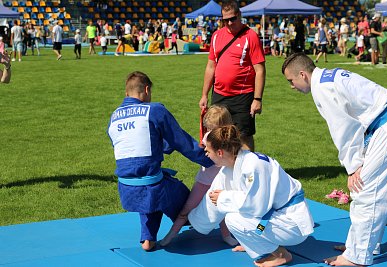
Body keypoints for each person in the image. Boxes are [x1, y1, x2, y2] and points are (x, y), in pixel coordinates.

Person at [282, 52, 387, 266]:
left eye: (291, 80)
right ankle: (361, 244)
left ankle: (357, 256)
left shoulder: (323, 88)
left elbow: (344, 129)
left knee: (366, 191)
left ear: (302, 74)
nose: (292, 86)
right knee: (364, 190)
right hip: (383, 121)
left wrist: (353, 166)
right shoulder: (327, 77)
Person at [107, 71, 214, 252]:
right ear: (147, 90)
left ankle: (147, 238)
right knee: (171, 189)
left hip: (125, 189)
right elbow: (183, 143)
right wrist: (212, 159)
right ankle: (192, 221)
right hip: (152, 186)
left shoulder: (114, 117)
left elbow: (133, 146)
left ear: (126, 93)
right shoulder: (155, 110)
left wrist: (163, 145)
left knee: (149, 185)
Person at [188, 125, 314, 267]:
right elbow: (213, 198)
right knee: (232, 210)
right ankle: (255, 244)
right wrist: (191, 220)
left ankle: (281, 255)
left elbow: (256, 206)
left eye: (208, 150)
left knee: (233, 218)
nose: (206, 154)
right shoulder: (229, 168)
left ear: (220, 152)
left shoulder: (254, 166)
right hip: (272, 217)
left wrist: (224, 198)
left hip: (291, 223)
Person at [160, 105, 238, 247]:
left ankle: (226, 235)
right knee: (187, 208)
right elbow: (201, 152)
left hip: (220, 182)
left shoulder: (229, 141)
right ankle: (172, 234)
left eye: (212, 128)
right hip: (204, 181)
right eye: (208, 128)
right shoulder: (209, 137)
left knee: (222, 210)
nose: (209, 131)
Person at [198, 0, 265, 152]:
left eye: (232, 18)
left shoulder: (251, 36)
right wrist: (204, 95)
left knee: (244, 136)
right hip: (219, 95)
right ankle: (223, 169)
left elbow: (260, 70)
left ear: (239, 15)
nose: (229, 23)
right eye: (225, 20)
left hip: (243, 96)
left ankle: (248, 170)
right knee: (217, 134)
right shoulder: (216, 36)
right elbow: (210, 67)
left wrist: (257, 99)